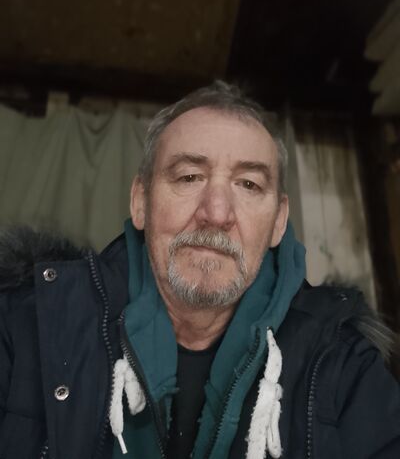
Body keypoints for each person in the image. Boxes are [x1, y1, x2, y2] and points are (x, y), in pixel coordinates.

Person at [0, 81, 399, 459]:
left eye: (248, 184)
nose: (217, 213)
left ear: (279, 221)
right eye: (189, 177)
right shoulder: (28, 326)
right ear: (140, 202)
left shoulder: (343, 364)